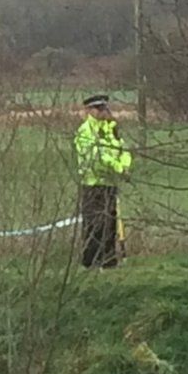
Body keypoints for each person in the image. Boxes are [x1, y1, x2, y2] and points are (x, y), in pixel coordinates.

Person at [75, 95, 133, 268]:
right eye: (99, 109)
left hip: (110, 184)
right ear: (89, 111)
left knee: (110, 226)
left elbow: (123, 149)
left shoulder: (111, 129)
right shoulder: (86, 131)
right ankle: (91, 264)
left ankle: (108, 263)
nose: (103, 112)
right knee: (95, 227)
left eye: (105, 108)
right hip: (93, 185)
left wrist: (124, 167)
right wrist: (117, 168)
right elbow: (96, 159)